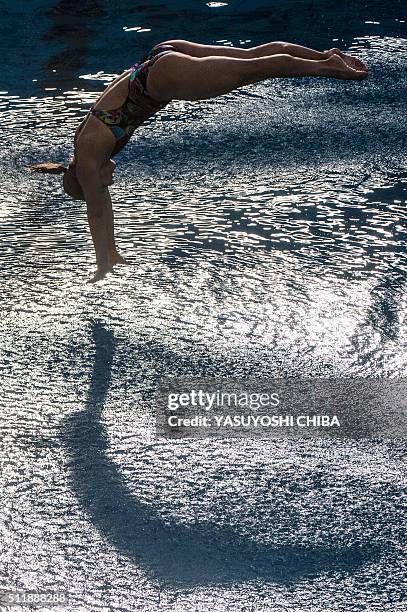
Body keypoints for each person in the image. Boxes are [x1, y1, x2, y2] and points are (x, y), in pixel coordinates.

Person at [29, 39, 368, 282]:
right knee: (254, 56)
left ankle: (329, 68)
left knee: (255, 69)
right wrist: (112, 252)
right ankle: (326, 55)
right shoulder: (86, 149)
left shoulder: (90, 157)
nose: (110, 184)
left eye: (102, 183)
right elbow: (103, 203)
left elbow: (97, 209)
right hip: (160, 55)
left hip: (163, 77)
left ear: (87, 178)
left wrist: (100, 263)